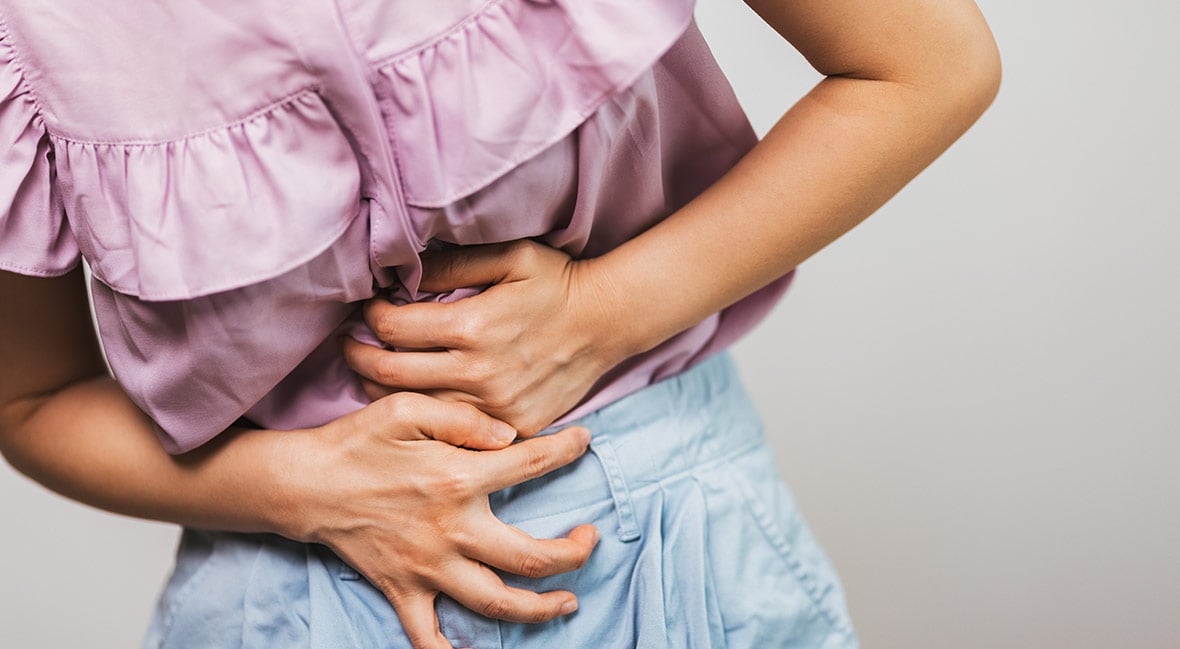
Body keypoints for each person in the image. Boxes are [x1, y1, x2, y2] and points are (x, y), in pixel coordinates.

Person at [0, 1, 1000, 647]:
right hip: (284, 602)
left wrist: (606, 314)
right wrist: (300, 487)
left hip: (672, 566)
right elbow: (27, 398)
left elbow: (927, 63)